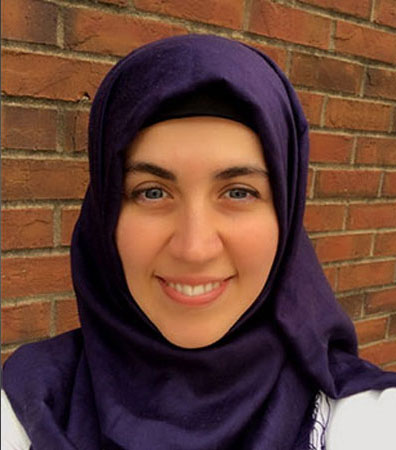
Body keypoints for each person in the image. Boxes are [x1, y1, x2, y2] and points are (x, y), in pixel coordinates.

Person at [2, 33, 396, 450]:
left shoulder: (366, 423)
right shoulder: (28, 410)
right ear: (105, 216)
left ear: (285, 212)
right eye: (151, 192)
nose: (194, 248)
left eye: (239, 192)